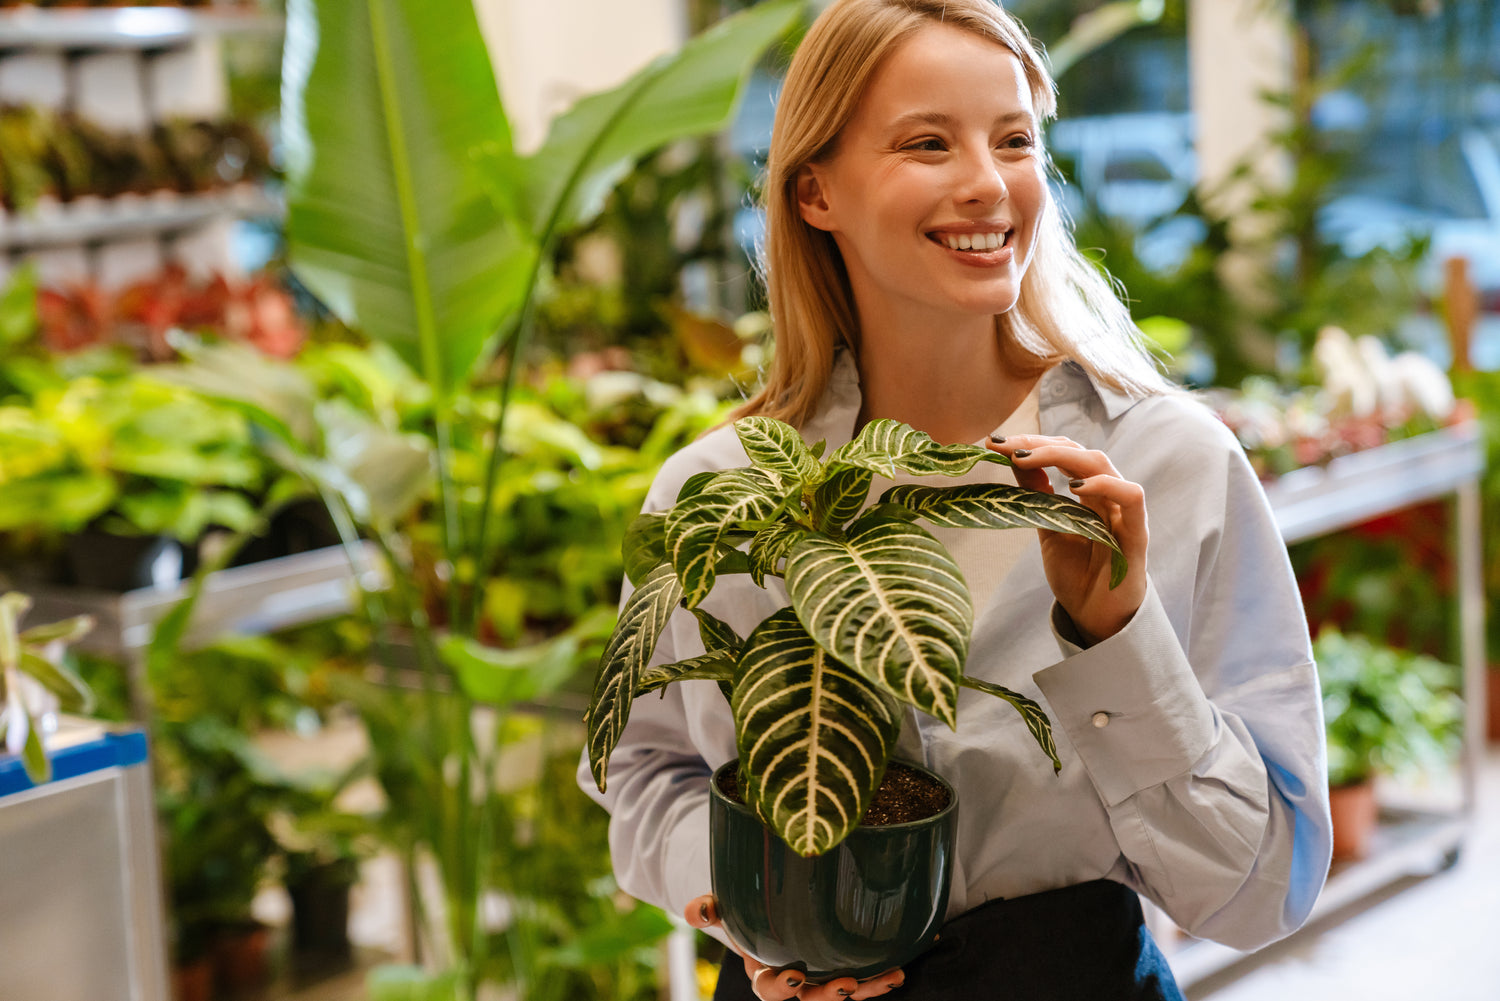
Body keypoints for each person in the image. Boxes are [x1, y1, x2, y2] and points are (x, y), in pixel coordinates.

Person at [578, 1, 1333, 998]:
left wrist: (1115, 636)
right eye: (927, 143)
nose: (988, 182)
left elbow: (1262, 887)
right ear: (815, 192)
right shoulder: (720, 494)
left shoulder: (1162, 463)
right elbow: (644, 773)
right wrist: (760, 914)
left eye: (1014, 140)